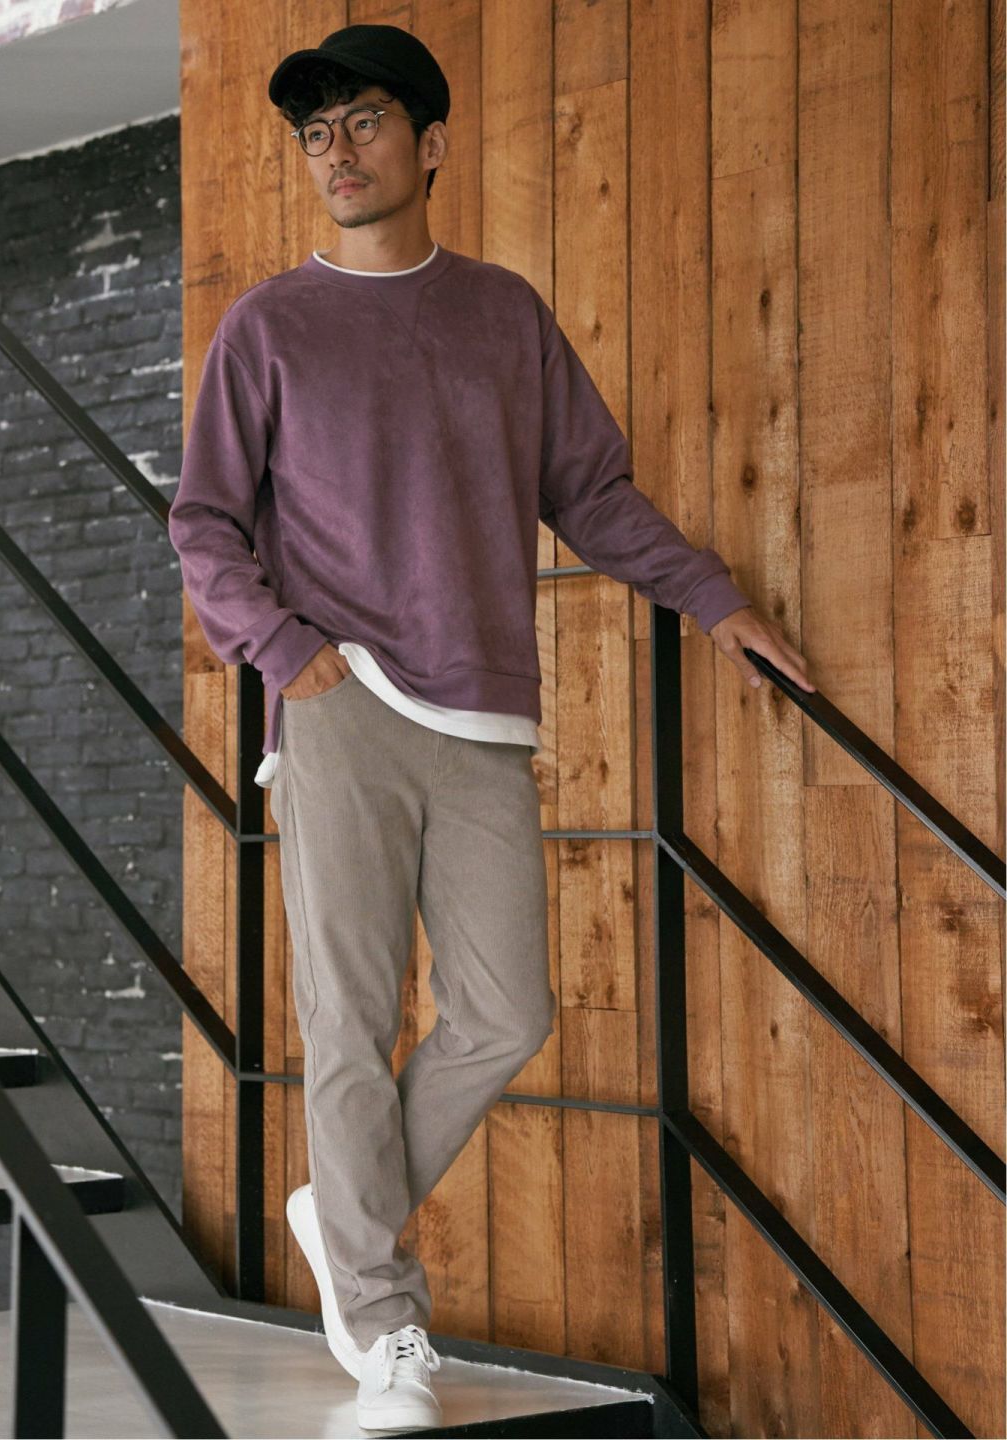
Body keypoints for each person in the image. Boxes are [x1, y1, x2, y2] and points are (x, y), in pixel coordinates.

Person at [168, 23, 816, 1433]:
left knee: (507, 1010)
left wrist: (715, 602)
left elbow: (591, 493)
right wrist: (289, 652)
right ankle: (385, 1324)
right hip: (338, 702)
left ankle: (344, 1209)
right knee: (349, 1020)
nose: (337, 153)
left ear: (432, 143)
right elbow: (204, 522)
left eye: (364, 122)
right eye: (316, 134)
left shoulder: (504, 316)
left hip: (481, 716)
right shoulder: (268, 328)